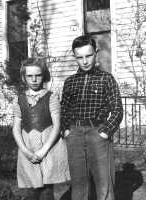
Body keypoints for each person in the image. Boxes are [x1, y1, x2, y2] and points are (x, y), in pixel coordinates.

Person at [61, 35, 123, 200]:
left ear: (96, 53)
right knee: (79, 183)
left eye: (88, 55)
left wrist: (105, 132)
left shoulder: (106, 79)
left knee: (104, 183)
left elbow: (117, 109)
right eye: (79, 57)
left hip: (98, 133)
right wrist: (66, 131)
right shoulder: (70, 82)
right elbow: (64, 109)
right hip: (74, 135)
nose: (85, 61)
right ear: (75, 57)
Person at [12, 58, 70, 200]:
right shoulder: (18, 99)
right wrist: (25, 151)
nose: (34, 79)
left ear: (43, 75)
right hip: (28, 146)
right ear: (23, 78)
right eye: (29, 76)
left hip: (48, 147)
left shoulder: (51, 97)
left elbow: (57, 125)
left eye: (38, 75)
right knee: (32, 189)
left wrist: (43, 150)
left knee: (46, 190)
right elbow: (16, 127)